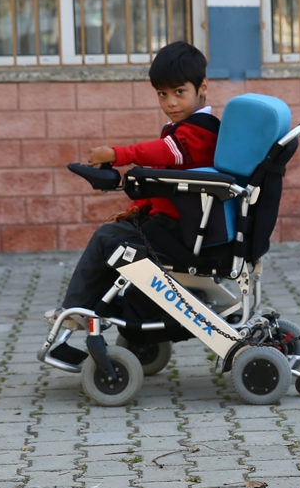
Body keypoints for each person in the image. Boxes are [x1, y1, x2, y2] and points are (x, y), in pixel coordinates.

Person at [46, 41, 219, 327]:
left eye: (179, 92)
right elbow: (164, 178)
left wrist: (118, 154)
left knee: (107, 239)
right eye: (162, 94)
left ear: (203, 86)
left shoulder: (198, 134)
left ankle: (77, 309)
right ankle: (103, 309)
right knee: (116, 236)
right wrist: (137, 207)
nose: (171, 102)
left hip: (180, 230)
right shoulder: (183, 129)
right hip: (172, 222)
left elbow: (165, 153)